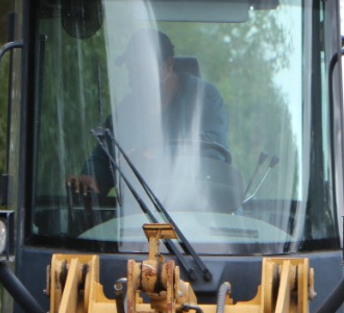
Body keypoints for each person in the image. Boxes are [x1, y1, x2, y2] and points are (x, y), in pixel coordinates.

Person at [66, 29, 230, 198]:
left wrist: (153, 155)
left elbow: (212, 150)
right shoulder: (127, 110)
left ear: (168, 65)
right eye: (131, 71)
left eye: (141, 71)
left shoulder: (203, 98)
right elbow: (105, 157)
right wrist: (90, 177)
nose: (132, 81)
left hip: (200, 209)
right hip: (141, 214)